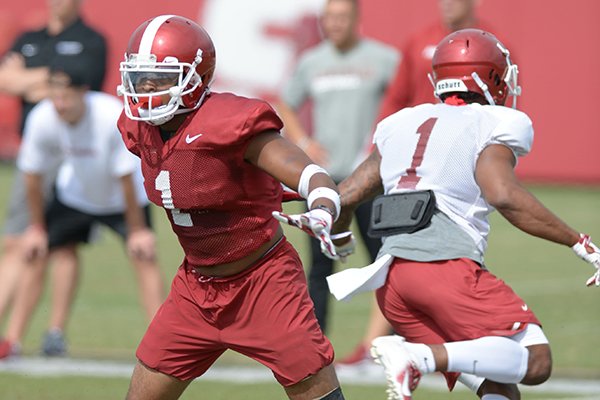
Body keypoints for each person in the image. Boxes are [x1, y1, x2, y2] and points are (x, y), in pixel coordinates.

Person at [327, 29, 600, 400]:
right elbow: (503, 195)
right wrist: (578, 241)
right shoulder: (492, 121)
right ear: (489, 77)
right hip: (444, 268)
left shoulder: (401, 123)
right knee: (534, 360)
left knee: (500, 386)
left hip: (393, 284)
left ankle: (419, 355)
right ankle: (418, 357)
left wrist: (340, 233)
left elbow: (347, 195)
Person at [116, 15, 346, 400]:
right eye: (140, 79)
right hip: (195, 287)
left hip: (263, 282)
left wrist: (322, 207)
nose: (146, 90)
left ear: (195, 78)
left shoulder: (231, 122)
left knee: (315, 390)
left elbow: (309, 173)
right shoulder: (137, 129)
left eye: (159, 79)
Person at [0, 62, 164, 359]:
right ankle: (14, 340)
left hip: (122, 199)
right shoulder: (42, 117)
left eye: (66, 97)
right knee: (37, 253)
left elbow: (125, 177)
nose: (60, 104)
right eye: (55, 96)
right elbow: (32, 176)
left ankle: (161, 344)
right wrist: (37, 227)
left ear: (83, 93)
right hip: (75, 194)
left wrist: (138, 231)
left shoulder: (109, 115)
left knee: (144, 256)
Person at [276, 0, 399, 362]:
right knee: (319, 266)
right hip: (324, 183)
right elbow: (286, 102)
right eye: (329, 18)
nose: (335, 24)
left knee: (385, 262)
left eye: (342, 17)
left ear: (357, 20)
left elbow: (406, 98)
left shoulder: (384, 59)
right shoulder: (312, 62)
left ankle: (389, 347)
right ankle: (315, 350)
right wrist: (303, 142)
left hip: (371, 180)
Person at [0, 0, 107, 355]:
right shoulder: (30, 38)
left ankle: (54, 331)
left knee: (63, 245)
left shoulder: (92, 40)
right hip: (34, 151)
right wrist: (51, 79)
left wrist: (29, 81)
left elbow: (82, 86)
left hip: (75, 153)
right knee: (18, 240)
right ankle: (8, 335)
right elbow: (5, 79)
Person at [378, 0, 498, 120]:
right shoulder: (418, 42)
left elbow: (504, 103)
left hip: (474, 132)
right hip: (425, 132)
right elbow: (395, 100)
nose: (447, 2)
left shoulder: (494, 47)